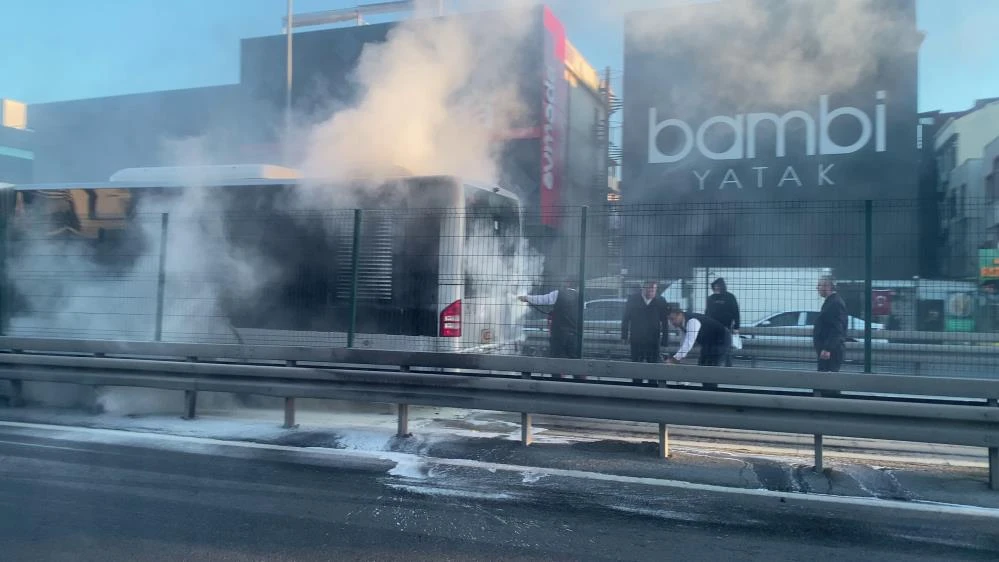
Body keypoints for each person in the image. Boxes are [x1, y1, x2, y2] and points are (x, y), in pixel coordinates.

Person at [518, 278, 580, 360]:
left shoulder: (558, 293)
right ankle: (577, 372)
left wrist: (526, 298)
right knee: (574, 359)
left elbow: (542, 299)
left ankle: (557, 373)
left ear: (567, 283)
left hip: (559, 333)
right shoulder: (580, 297)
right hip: (574, 334)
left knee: (556, 359)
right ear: (577, 286)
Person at [621, 280, 670, 363]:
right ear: (643, 289)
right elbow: (626, 318)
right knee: (636, 363)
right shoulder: (633, 299)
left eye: (653, 290)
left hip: (653, 339)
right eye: (649, 290)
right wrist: (624, 336)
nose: (651, 292)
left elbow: (665, 321)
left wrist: (665, 339)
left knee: (653, 363)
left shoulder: (661, 301)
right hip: (637, 338)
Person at [665, 306, 730, 366]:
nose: (671, 322)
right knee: (702, 364)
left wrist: (675, 359)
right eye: (669, 320)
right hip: (708, 342)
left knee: (717, 365)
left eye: (672, 319)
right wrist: (679, 357)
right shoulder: (683, 324)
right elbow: (683, 342)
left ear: (680, 315)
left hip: (721, 339)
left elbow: (688, 343)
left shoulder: (692, 321)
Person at [814, 275, 848, 372]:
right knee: (826, 382)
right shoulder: (832, 301)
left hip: (831, 352)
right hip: (829, 350)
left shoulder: (834, 303)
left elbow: (837, 329)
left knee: (826, 382)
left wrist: (827, 349)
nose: (817, 288)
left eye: (819, 285)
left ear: (827, 287)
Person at [705, 277, 740, 366]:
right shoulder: (711, 298)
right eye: (715, 286)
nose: (716, 288)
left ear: (722, 286)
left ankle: (727, 368)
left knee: (726, 350)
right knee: (714, 350)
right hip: (712, 329)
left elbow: (736, 312)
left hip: (725, 328)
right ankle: (714, 366)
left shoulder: (730, 297)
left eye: (718, 286)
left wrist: (736, 327)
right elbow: (707, 313)